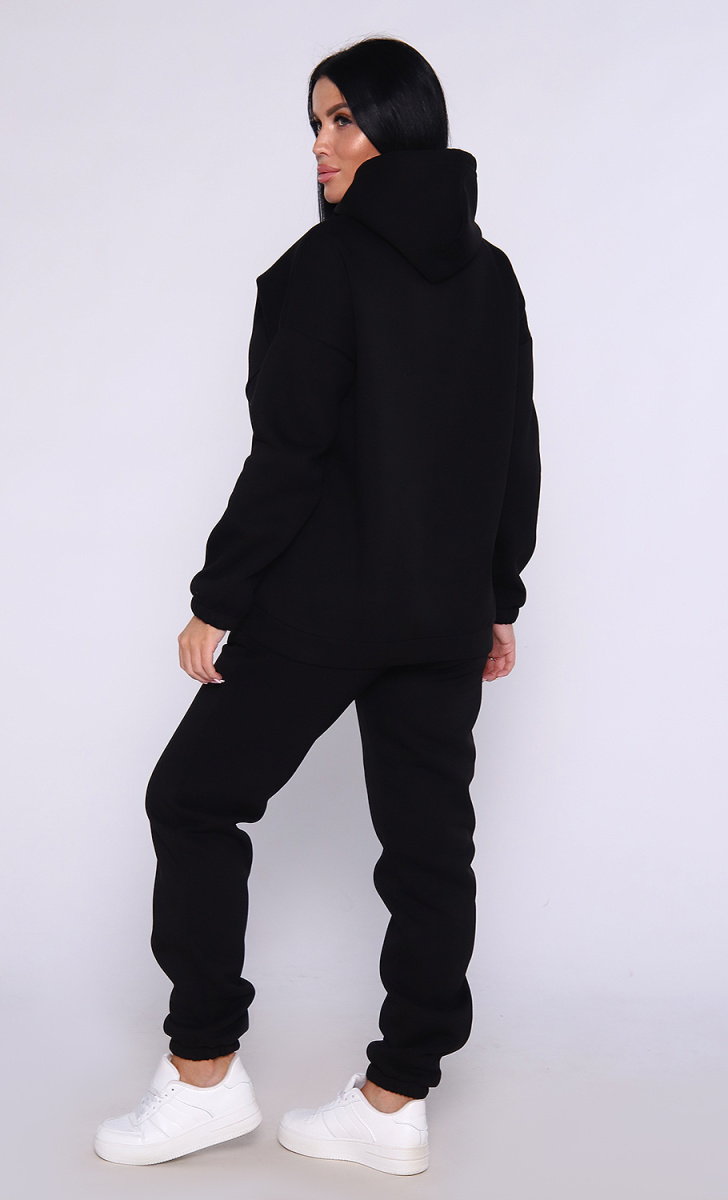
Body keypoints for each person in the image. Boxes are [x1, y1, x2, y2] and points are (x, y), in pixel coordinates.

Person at [94, 35, 540, 1177]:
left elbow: (287, 454)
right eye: (315, 122)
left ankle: (203, 1076)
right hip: (440, 613)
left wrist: (218, 598)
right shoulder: (491, 274)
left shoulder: (320, 268)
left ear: (399, 124)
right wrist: (496, 594)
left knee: (192, 801)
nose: (320, 144)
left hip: (324, 605)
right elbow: (511, 447)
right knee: (430, 852)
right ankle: (395, 1102)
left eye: (342, 119)